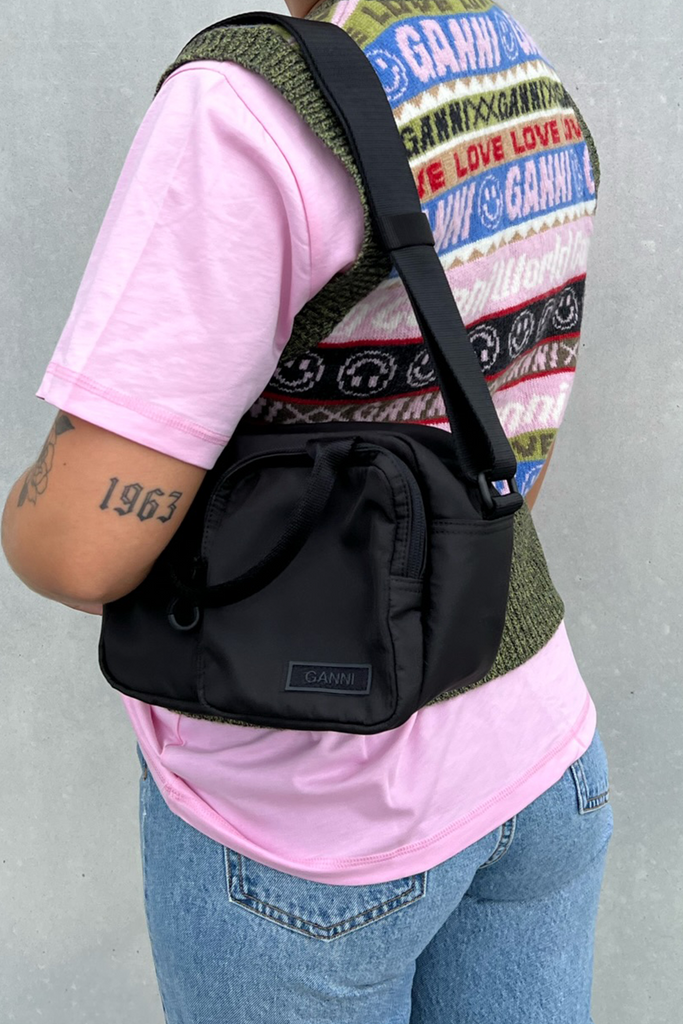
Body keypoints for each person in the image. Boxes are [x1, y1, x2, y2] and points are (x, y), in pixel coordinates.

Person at [1, 0, 613, 1021]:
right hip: (541, 754)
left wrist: (30, 510)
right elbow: (505, 464)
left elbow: (77, 552)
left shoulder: (247, 106)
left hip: (312, 830)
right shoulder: (520, 71)